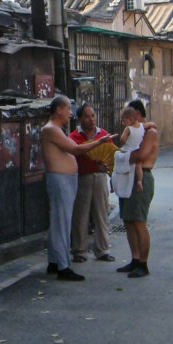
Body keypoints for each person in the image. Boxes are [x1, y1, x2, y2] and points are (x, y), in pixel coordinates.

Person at [40, 95, 112, 281]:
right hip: (60, 179)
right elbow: (76, 149)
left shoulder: (57, 129)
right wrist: (100, 142)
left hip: (66, 178)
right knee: (63, 223)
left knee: (60, 222)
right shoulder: (51, 129)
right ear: (59, 110)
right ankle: (63, 266)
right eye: (68, 109)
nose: (70, 114)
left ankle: (55, 261)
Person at [116, 99, 158, 278]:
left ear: (138, 115)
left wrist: (120, 156)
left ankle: (143, 262)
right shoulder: (135, 131)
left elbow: (140, 155)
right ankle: (135, 258)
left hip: (142, 176)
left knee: (139, 221)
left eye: (130, 117)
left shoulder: (150, 132)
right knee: (129, 220)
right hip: (127, 175)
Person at [69, 104, 116, 264]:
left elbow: (111, 157)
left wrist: (108, 167)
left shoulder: (103, 135)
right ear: (80, 119)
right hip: (82, 178)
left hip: (100, 177)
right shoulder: (74, 137)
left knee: (101, 214)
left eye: (93, 115)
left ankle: (102, 249)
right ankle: (79, 250)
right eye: (87, 116)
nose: (91, 119)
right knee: (80, 215)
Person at [110, 106, 145, 198]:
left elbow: (123, 140)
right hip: (136, 151)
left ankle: (113, 185)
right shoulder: (142, 126)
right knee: (138, 166)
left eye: (124, 120)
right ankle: (139, 181)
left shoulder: (128, 128)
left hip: (126, 151)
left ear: (131, 119)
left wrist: (122, 137)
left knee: (116, 167)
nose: (123, 123)